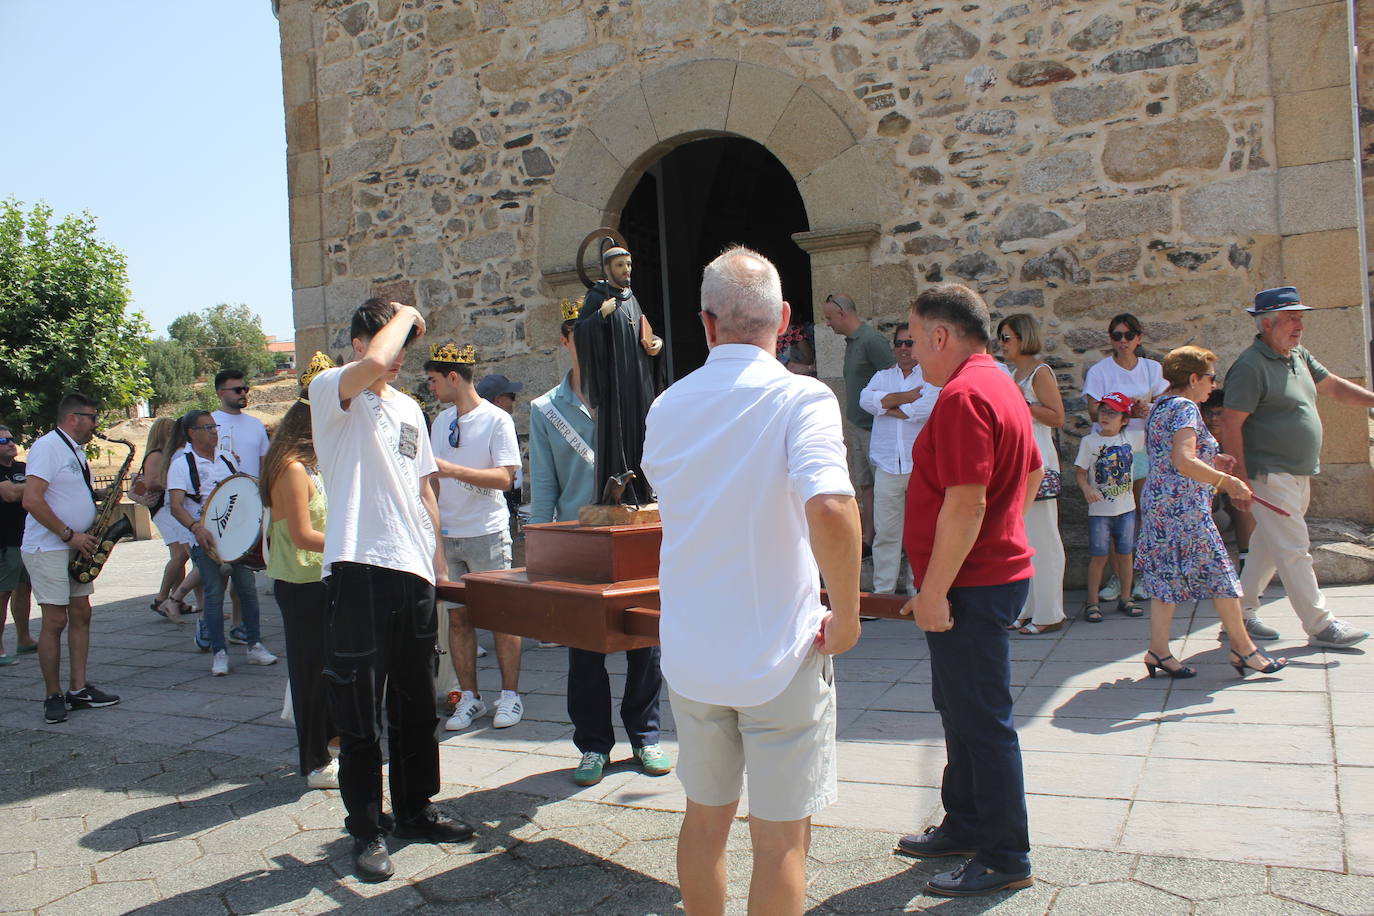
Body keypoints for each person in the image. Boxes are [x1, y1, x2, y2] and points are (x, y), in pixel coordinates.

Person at [643, 246, 862, 916]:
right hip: (779, 651)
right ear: (785, 318)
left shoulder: (667, 406)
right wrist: (848, 615)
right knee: (781, 840)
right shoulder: (803, 397)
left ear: (706, 323)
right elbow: (831, 506)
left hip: (693, 652)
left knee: (703, 819)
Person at [310, 299, 473, 883]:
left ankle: (414, 810)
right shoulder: (332, 390)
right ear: (358, 345)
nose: (400, 356)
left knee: (416, 702)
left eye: (406, 344)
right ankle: (366, 828)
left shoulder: (407, 408)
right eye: (392, 342)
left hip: (412, 570)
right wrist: (406, 312)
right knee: (359, 709)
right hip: (358, 565)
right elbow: (378, 360)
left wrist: (436, 562)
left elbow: (424, 488)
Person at [895, 285, 1040, 898]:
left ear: (940, 336)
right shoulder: (1000, 383)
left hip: (972, 585)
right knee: (960, 710)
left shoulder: (963, 395)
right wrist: (1002, 534)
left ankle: (1005, 854)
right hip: (982, 577)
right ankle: (966, 822)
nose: (911, 352)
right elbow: (1033, 470)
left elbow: (966, 503)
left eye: (913, 339)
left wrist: (935, 590)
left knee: (982, 722)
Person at [530, 304, 671, 787]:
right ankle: (592, 744)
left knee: (645, 644)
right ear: (567, 339)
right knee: (584, 651)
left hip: (633, 537)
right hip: (581, 547)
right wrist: (539, 556)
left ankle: (645, 735)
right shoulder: (546, 409)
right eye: (581, 333)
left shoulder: (638, 399)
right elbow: (544, 489)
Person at [1221, 286, 1374, 648]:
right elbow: (1230, 424)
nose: (1300, 325)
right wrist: (1238, 480)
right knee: (1293, 548)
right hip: (1269, 473)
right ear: (1267, 323)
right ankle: (1320, 624)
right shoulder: (1250, 366)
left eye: (1300, 318)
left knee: (1268, 546)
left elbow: (1334, 387)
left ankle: (1238, 615)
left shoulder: (1298, 355)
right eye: (1291, 319)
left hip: (1297, 471)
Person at [1136, 346, 1288, 678]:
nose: (1213, 385)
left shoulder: (1160, 405)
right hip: (1184, 509)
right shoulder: (1186, 408)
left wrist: (1212, 460)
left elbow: (1169, 456)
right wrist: (1227, 481)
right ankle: (1244, 649)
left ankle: (1158, 651)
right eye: (1210, 377)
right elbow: (1183, 460)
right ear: (1193, 378)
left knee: (1166, 578)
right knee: (1221, 576)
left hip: (1160, 505)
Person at [423, 342, 525, 732]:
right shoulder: (440, 422)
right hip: (450, 534)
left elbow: (505, 478)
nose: (431, 387)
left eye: (434, 380)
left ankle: (510, 695)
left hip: (486, 531)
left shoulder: (496, 419)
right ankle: (469, 697)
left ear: (453, 377)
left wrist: (454, 470)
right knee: (458, 620)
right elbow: (431, 481)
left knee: (503, 619)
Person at [20, 394, 122, 724]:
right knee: (55, 621)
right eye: (92, 417)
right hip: (50, 546)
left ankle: (78, 689)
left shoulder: (76, 450)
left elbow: (65, 491)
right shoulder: (47, 447)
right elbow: (32, 500)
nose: (96, 424)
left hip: (78, 545)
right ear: (73, 418)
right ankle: (53, 694)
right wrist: (69, 535)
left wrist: (100, 495)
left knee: (81, 614)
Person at [262, 353, 339, 790]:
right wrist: (351, 544)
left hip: (318, 581)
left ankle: (331, 745)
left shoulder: (309, 465)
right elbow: (304, 535)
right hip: (301, 584)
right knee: (309, 677)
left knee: (327, 672)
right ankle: (314, 763)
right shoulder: (291, 468)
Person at [166, 410, 278, 676]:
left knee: (247, 591)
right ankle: (219, 652)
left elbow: (237, 492)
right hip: (205, 539)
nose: (214, 432)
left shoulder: (227, 458)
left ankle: (254, 645)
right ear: (192, 433)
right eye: (207, 428)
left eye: (214, 427)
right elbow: (176, 506)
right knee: (214, 596)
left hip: (235, 537)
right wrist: (196, 528)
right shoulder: (181, 465)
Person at [1081, 313, 1167, 603]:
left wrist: (1147, 408)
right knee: (1114, 513)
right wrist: (1128, 410)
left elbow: (1165, 404)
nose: (1123, 341)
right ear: (1110, 339)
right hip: (1111, 452)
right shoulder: (1100, 371)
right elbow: (1093, 412)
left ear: (1139, 338)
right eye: (1117, 336)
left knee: (1142, 512)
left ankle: (1140, 575)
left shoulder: (1152, 368)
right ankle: (1119, 577)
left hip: (1143, 447)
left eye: (1129, 335)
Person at [574, 240, 663, 507]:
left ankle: (643, 489)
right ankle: (619, 491)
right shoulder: (597, 297)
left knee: (641, 430)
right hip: (614, 383)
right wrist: (600, 315)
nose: (626, 270)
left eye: (629, 264)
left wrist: (656, 343)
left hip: (638, 379)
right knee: (618, 431)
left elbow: (643, 331)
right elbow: (580, 332)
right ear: (607, 268)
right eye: (620, 265)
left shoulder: (631, 298)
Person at [858, 323, 939, 595]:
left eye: (909, 343)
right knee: (886, 534)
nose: (904, 349)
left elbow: (922, 411)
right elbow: (864, 401)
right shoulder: (882, 376)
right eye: (899, 343)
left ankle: (918, 593)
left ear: (917, 346)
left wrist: (885, 406)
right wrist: (907, 397)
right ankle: (883, 595)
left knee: (920, 534)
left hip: (920, 468)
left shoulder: (930, 377)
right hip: (888, 466)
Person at [998, 314, 1067, 634]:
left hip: (1040, 461)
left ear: (1023, 338)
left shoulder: (1040, 372)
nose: (1002, 344)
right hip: (1020, 460)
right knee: (1024, 538)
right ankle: (1027, 608)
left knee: (1044, 538)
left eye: (1006, 337)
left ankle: (1050, 612)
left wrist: (1020, 404)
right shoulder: (1014, 374)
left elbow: (1057, 417)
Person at [821, 293, 895, 553]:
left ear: (843, 314)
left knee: (884, 488)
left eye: (829, 318)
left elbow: (894, 378)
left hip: (876, 428)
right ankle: (869, 539)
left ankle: (889, 542)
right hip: (858, 425)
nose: (827, 323)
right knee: (865, 485)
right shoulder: (853, 341)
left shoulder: (872, 341)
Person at [1073, 393, 1144, 622]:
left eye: (1113, 413)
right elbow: (1080, 472)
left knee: (1126, 554)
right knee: (1099, 556)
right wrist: (1086, 489)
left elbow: (1156, 430)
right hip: (1100, 512)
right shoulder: (1089, 442)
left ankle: (1126, 597)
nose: (1105, 416)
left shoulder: (1131, 438)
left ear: (1124, 420)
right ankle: (1092, 602)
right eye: (1103, 411)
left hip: (1126, 510)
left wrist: (1143, 410)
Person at [212, 369, 270, 647]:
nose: (243, 394)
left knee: (244, 573)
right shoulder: (209, 423)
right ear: (221, 393)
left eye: (245, 389)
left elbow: (263, 465)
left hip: (250, 506)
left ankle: (239, 625)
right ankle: (206, 625)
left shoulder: (256, 425)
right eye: (237, 390)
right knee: (214, 576)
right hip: (219, 505)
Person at [151, 418, 205, 631]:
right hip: (187, 517)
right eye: (206, 427)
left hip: (187, 516)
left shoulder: (178, 454)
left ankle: (201, 610)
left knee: (198, 563)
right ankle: (170, 599)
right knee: (201, 563)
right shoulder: (182, 456)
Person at [137, 417, 187, 623]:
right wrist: (174, 481)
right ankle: (162, 598)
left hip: (165, 508)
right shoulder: (156, 455)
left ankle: (176, 600)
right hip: (162, 509)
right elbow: (151, 482)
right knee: (180, 553)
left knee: (180, 555)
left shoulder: (164, 455)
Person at [0, 423, 36, 663]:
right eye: (4, 441)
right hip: (5, 543)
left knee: (24, 589)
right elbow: (10, 494)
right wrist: (34, 486)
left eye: (11, 439)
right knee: (3, 593)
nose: (11, 443)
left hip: (26, 540)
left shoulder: (23, 468)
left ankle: (24, 639)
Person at [476, 373, 525, 525]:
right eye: (511, 396)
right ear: (498, 400)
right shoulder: (488, 428)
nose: (513, 401)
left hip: (508, 502)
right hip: (495, 509)